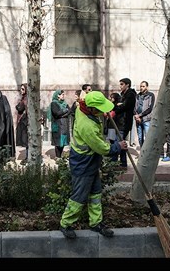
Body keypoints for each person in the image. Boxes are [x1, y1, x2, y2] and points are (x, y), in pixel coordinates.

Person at [59, 91, 128, 239]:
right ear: (91, 109)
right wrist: (118, 146)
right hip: (83, 163)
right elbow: (101, 148)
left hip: (90, 162)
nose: (104, 111)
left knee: (95, 194)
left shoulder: (82, 108)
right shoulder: (87, 125)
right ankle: (65, 223)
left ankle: (95, 222)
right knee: (79, 196)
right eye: (100, 109)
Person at [113, 78, 137, 168]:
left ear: (127, 85)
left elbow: (125, 106)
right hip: (120, 121)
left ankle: (115, 162)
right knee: (121, 142)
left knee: (118, 142)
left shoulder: (130, 94)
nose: (120, 86)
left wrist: (119, 106)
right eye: (120, 84)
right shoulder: (123, 94)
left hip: (124, 122)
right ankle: (122, 163)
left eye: (122, 84)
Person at [48, 89, 71, 159]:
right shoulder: (54, 103)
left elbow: (69, 111)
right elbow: (56, 113)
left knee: (63, 141)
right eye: (62, 94)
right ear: (58, 95)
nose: (64, 96)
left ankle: (60, 156)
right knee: (58, 142)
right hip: (58, 126)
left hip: (64, 125)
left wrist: (62, 113)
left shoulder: (65, 103)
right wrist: (65, 111)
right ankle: (57, 157)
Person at [133, 81, 155, 148]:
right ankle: (142, 153)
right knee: (140, 137)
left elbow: (150, 108)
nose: (141, 88)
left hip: (146, 119)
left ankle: (147, 153)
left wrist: (140, 115)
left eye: (143, 86)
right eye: (140, 86)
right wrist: (136, 116)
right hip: (138, 119)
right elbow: (134, 107)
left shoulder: (150, 95)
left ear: (147, 87)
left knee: (147, 137)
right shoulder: (137, 95)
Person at [15, 83, 28, 165]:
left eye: (23, 89)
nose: (21, 90)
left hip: (26, 122)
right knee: (26, 141)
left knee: (27, 141)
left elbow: (20, 108)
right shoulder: (24, 98)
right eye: (21, 89)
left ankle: (28, 157)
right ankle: (27, 157)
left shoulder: (26, 98)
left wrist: (18, 106)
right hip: (24, 122)